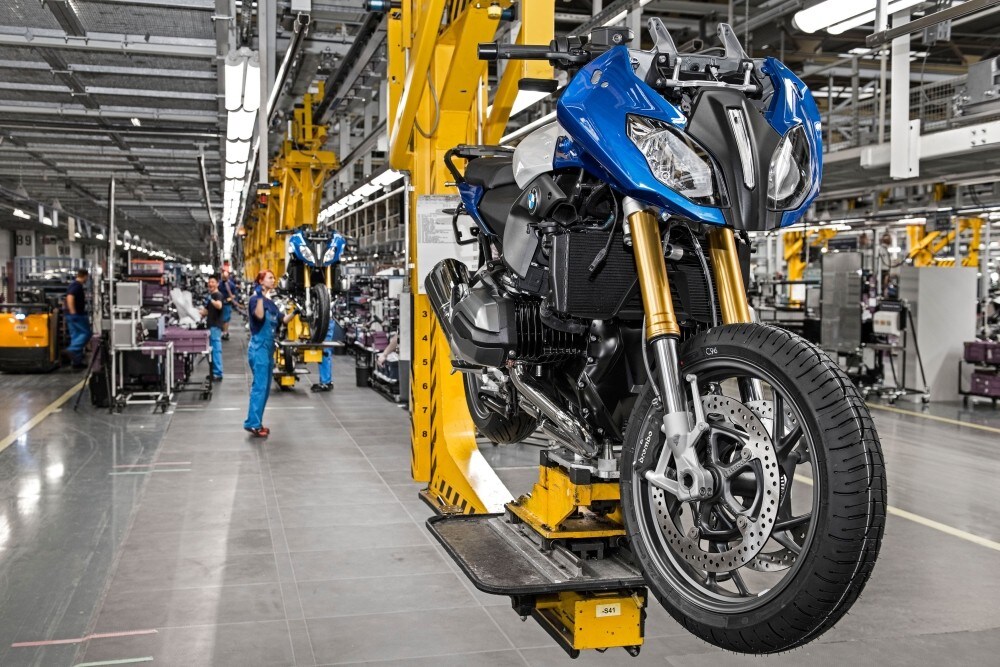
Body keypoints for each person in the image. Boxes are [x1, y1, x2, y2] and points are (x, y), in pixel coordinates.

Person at [244, 269, 296, 438]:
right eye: (270, 278)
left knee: (265, 388)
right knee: (259, 387)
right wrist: (260, 296)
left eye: (274, 278)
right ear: (261, 281)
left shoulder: (271, 303)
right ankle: (253, 423)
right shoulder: (255, 299)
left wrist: (296, 312)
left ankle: (257, 422)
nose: (273, 280)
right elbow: (259, 316)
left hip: (268, 350)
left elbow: (283, 320)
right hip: (258, 347)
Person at [64, 267, 92, 369]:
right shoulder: (77, 286)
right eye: (87, 277)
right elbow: (70, 297)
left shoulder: (74, 285)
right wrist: (73, 312)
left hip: (71, 314)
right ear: (85, 276)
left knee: (76, 336)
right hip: (77, 315)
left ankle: (76, 362)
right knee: (86, 333)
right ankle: (73, 349)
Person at [200, 275, 224, 381]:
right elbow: (205, 312)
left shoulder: (217, 295)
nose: (210, 284)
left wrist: (212, 300)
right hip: (210, 326)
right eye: (209, 282)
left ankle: (218, 373)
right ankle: (213, 372)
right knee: (211, 350)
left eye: (213, 282)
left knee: (216, 350)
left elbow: (219, 305)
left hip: (215, 326)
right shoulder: (211, 296)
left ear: (217, 284)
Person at [312, 318, 335, 392]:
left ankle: (325, 383)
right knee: (325, 351)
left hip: (324, 322)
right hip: (324, 321)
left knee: (324, 352)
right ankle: (326, 381)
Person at [220, 269, 236, 340]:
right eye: (223, 277)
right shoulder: (219, 284)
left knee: (226, 319)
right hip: (219, 304)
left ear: (228, 277)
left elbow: (234, 295)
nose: (224, 278)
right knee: (221, 319)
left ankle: (225, 333)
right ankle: (223, 332)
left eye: (225, 277)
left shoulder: (231, 285)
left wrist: (227, 299)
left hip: (227, 304)